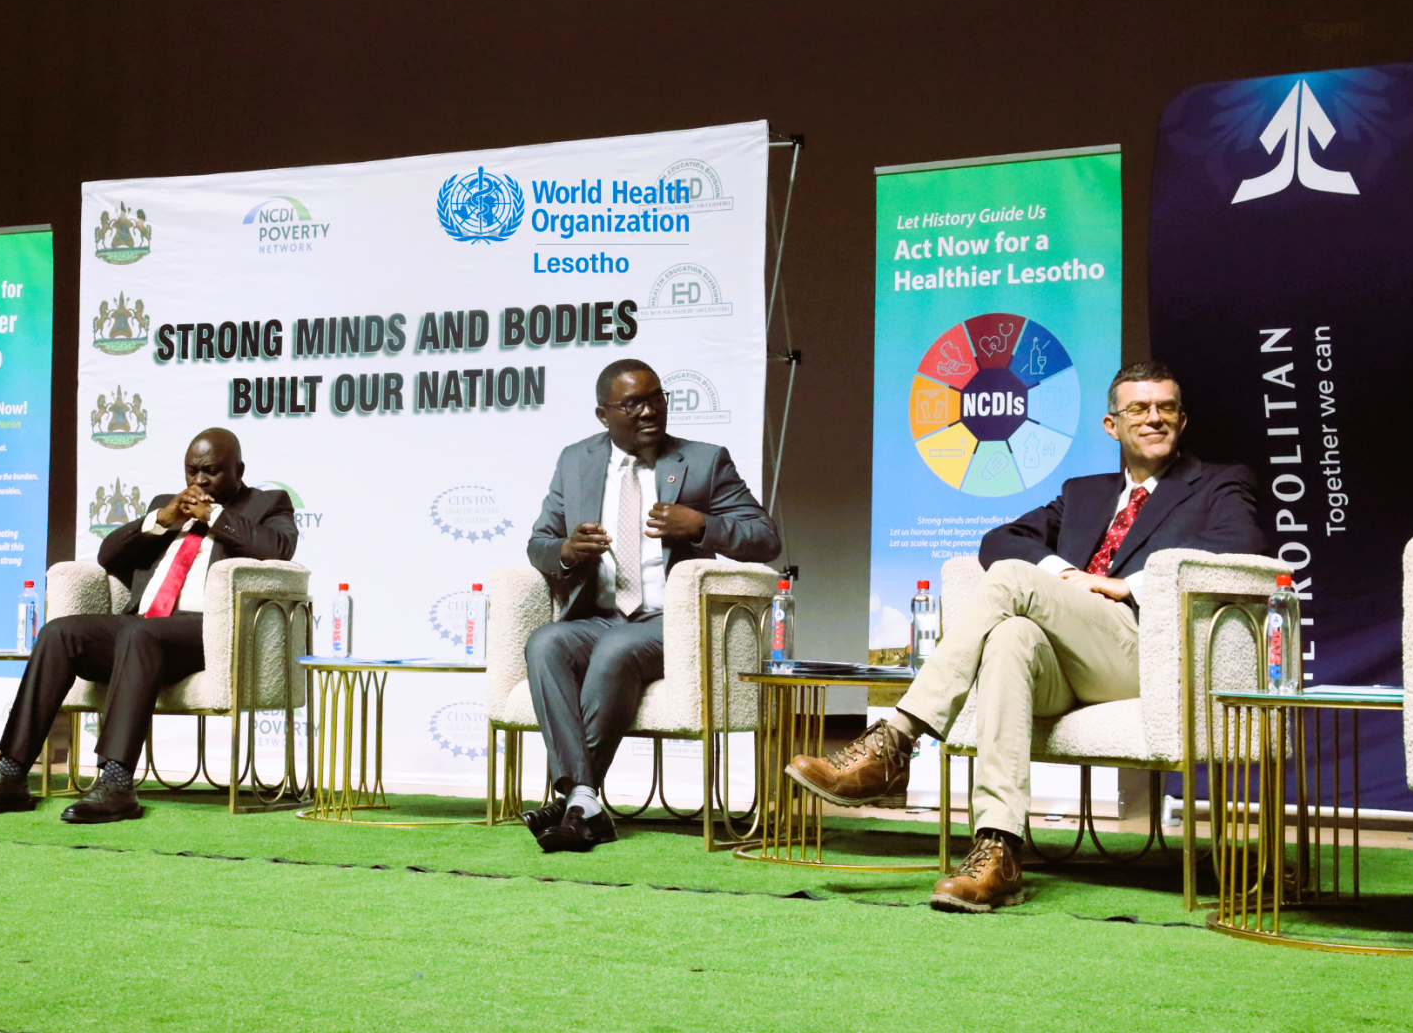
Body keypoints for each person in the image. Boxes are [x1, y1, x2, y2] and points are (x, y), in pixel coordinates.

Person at [787, 361, 1265, 911]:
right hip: (1073, 662)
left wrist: (1121, 584)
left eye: (1166, 408)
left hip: (1144, 649)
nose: (1153, 418)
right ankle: (999, 851)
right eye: (1138, 408)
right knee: (1012, 634)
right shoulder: (1084, 493)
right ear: (1113, 425)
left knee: (1015, 580)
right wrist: (1069, 577)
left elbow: (1240, 549)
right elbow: (1001, 538)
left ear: (1182, 420)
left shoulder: (1220, 483)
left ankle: (895, 741)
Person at [0, 428, 296, 824]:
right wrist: (161, 520)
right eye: (192, 472)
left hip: (204, 633)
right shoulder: (166, 507)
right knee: (59, 632)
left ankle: (116, 782)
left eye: (211, 472)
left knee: (139, 634)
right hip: (143, 626)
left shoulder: (268, 503)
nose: (199, 482)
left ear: (238, 470)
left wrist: (214, 517)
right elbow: (109, 556)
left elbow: (277, 550)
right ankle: (11, 776)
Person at [523, 359, 780, 852]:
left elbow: (766, 538)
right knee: (545, 644)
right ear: (604, 415)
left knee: (618, 649)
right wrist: (566, 552)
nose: (649, 411)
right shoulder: (576, 461)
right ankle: (584, 799)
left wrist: (702, 525)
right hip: (598, 617)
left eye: (657, 398)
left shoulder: (704, 461)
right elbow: (539, 541)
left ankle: (576, 799)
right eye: (632, 404)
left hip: (672, 622)